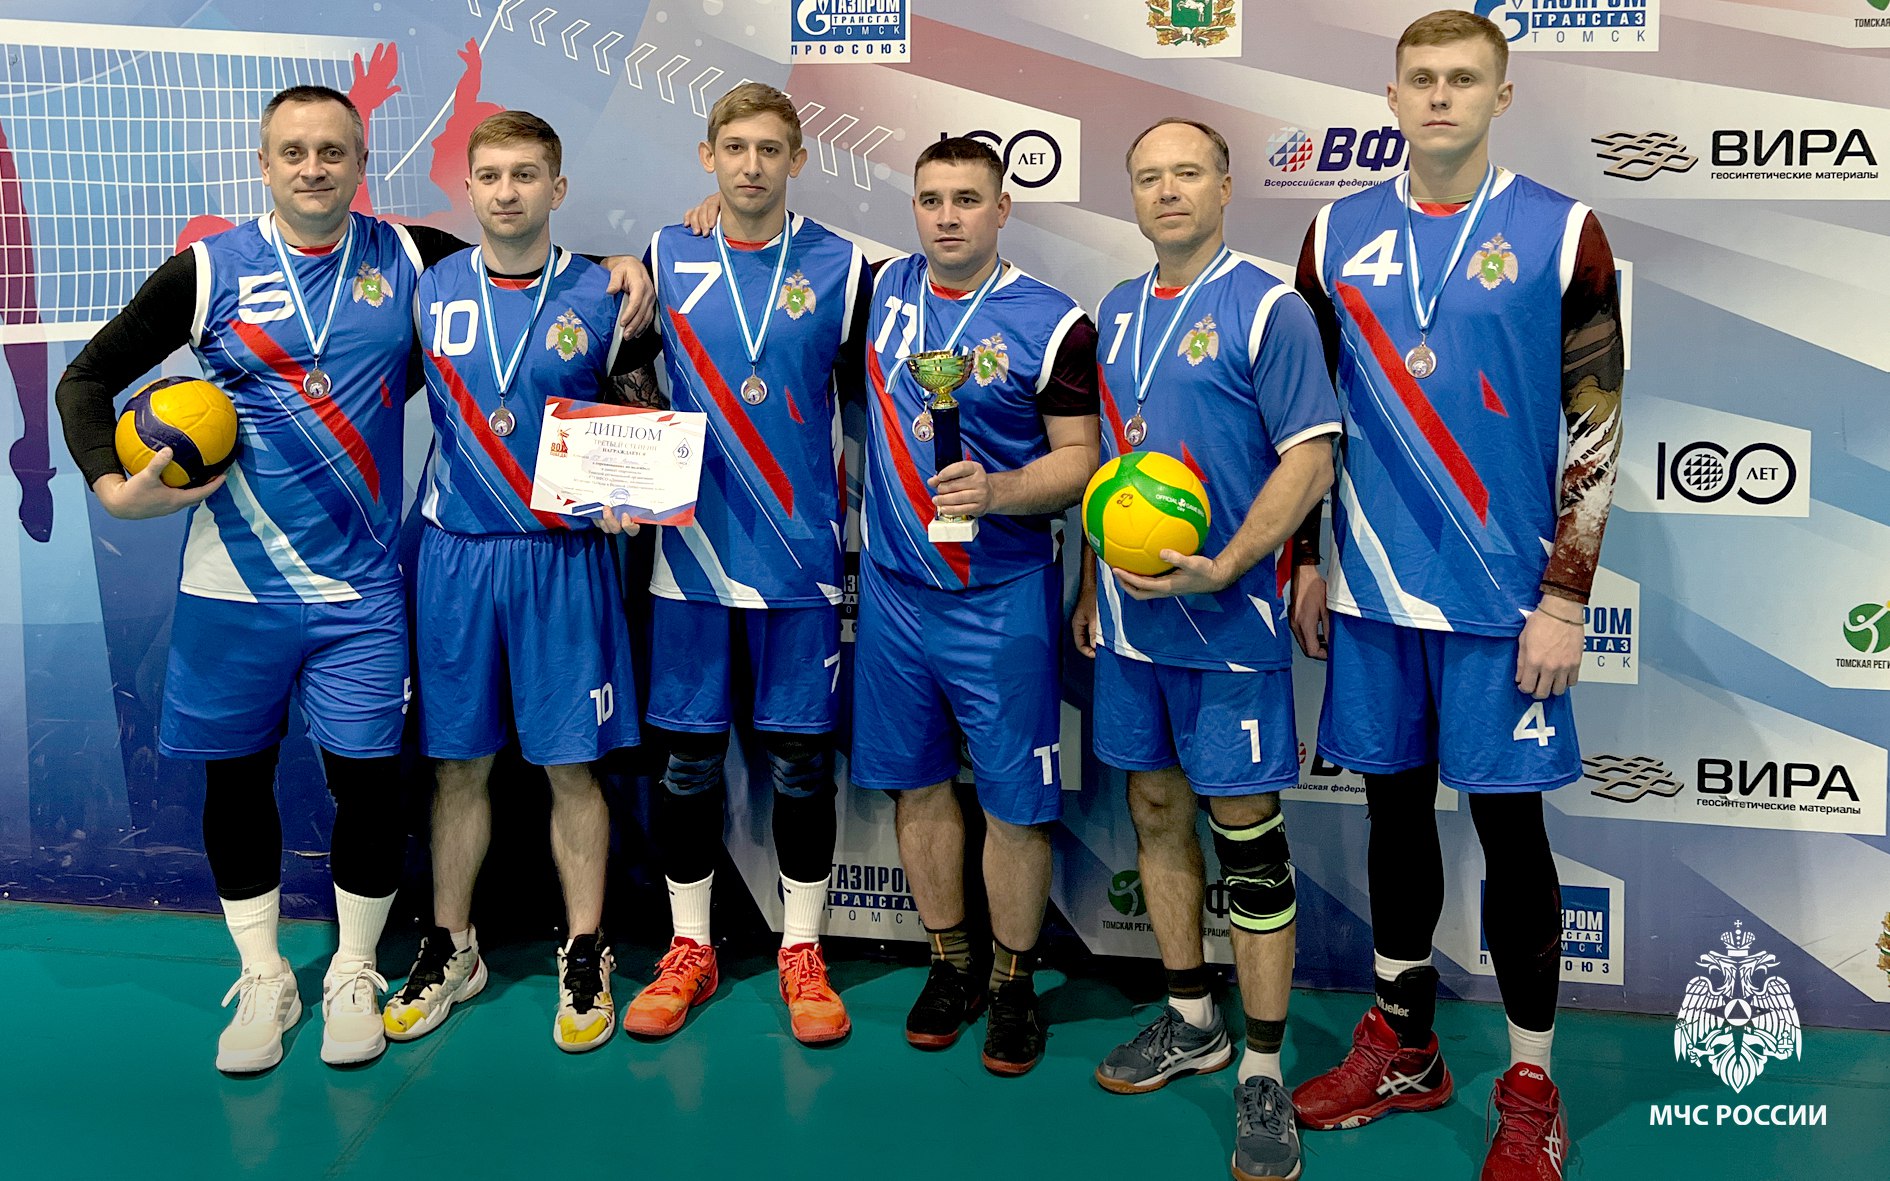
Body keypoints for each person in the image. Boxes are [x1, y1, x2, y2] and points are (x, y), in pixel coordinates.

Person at [52, 85, 653, 1074]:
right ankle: (262, 973)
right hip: (232, 583)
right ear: (264, 163)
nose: (313, 167)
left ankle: (354, 968)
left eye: (333, 151)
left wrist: (620, 268)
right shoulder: (209, 270)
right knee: (236, 781)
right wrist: (114, 489)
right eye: (292, 151)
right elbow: (84, 379)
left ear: (363, 163)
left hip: (361, 590)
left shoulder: (407, 258)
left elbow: (522, 261)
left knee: (370, 787)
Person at [1285, 12, 1623, 1181]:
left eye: (1463, 79)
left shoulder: (1563, 230)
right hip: (1374, 588)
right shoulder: (1333, 233)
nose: (1440, 96)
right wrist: (1306, 558)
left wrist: (1567, 594)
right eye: (1421, 79)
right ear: (1391, 97)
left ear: (1501, 96)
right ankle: (1406, 1046)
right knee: (1391, 817)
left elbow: (1597, 422)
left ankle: (1530, 1083)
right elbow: (1308, 419)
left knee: (1511, 832)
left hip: (1502, 599)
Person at [1072, 117, 1338, 1181]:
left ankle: (1262, 1066)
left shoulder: (1270, 308)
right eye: (1149, 177)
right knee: (1152, 809)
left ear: (1226, 187)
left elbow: (1309, 460)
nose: (1168, 190)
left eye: (1188, 173)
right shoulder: (1117, 310)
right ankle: (1193, 1017)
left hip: (1229, 627)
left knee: (1249, 841)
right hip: (1134, 626)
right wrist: (1092, 583)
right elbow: (1115, 470)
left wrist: (1228, 563)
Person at [610, 83, 870, 1047]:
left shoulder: (846, 267)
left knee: (800, 765)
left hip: (800, 559)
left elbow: (878, 401)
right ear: (707, 156)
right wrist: (623, 464)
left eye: (769, 149)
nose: (751, 165)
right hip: (690, 554)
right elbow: (617, 365)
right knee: (685, 764)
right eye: (734, 147)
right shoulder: (666, 253)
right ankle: (691, 946)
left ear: (798, 160)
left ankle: (803, 950)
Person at [377, 111, 641, 1054]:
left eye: (526, 174)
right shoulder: (428, 286)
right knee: (458, 764)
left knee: (572, 764)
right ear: (468, 188)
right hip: (456, 555)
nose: (506, 191)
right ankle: (452, 945)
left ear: (557, 188)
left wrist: (628, 488)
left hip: (560, 557)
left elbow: (641, 414)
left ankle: (586, 946)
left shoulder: (607, 294)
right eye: (489, 175)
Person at [853, 137, 1099, 1075]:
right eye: (930, 199)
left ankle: (1012, 981)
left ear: (1003, 209)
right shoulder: (878, 292)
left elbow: (1082, 461)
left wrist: (997, 491)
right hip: (895, 590)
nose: (947, 215)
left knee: (1014, 803)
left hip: (1002, 593)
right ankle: (949, 962)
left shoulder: (1053, 321)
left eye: (966, 198)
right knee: (918, 785)